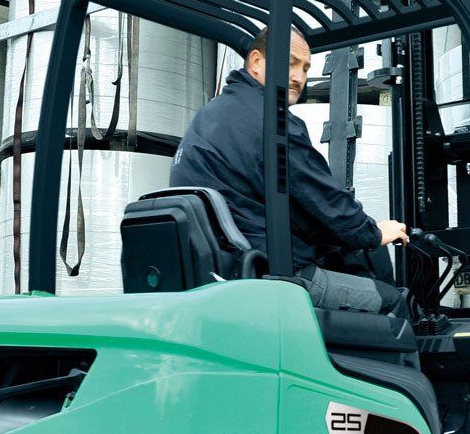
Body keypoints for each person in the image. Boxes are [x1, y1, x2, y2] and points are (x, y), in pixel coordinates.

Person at [169, 26, 409, 313]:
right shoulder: (273, 120)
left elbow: (287, 201)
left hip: (224, 269)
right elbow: (323, 198)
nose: (299, 77)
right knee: (393, 302)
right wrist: (372, 232)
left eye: (305, 68)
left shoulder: (210, 114)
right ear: (256, 62)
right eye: (290, 63)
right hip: (272, 275)